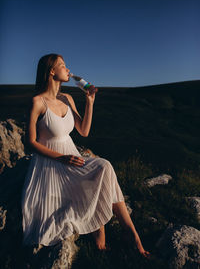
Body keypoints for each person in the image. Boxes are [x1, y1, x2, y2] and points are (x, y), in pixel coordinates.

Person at [21, 53, 151, 259]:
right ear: (52, 71)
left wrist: (90, 102)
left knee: (104, 169)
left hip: (71, 155)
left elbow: (84, 131)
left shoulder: (67, 98)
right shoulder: (37, 102)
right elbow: (31, 142)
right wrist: (60, 158)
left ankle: (129, 233)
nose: (68, 69)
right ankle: (113, 235)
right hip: (51, 162)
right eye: (63, 65)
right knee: (103, 168)